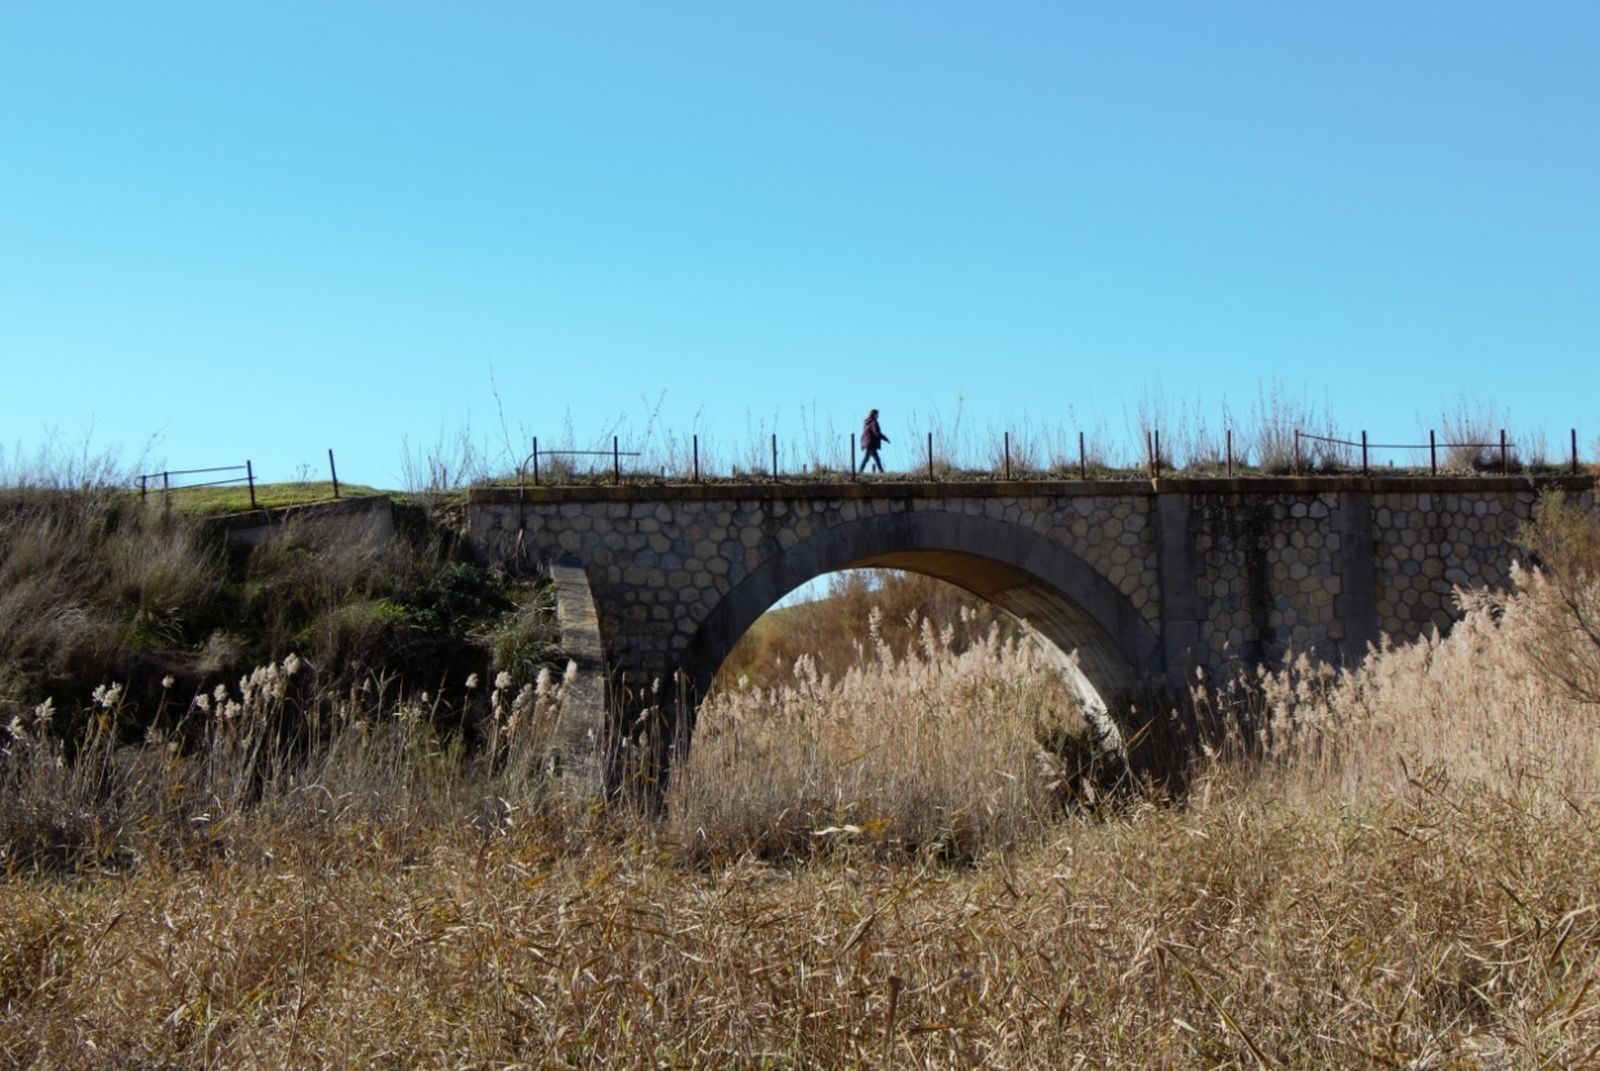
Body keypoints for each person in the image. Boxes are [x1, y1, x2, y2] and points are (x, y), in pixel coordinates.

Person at [860, 408, 889, 473]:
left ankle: (881, 471)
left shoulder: (866, 423)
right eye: (877, 414)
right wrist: (885, 438)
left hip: (868, 443)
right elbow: (877, 433)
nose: (878, 416)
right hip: (871, 443)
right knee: (867, 458)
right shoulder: (874, 422)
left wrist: (862, 445)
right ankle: (860, 471)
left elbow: (863, 435)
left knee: (875, 459)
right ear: (874, 415)